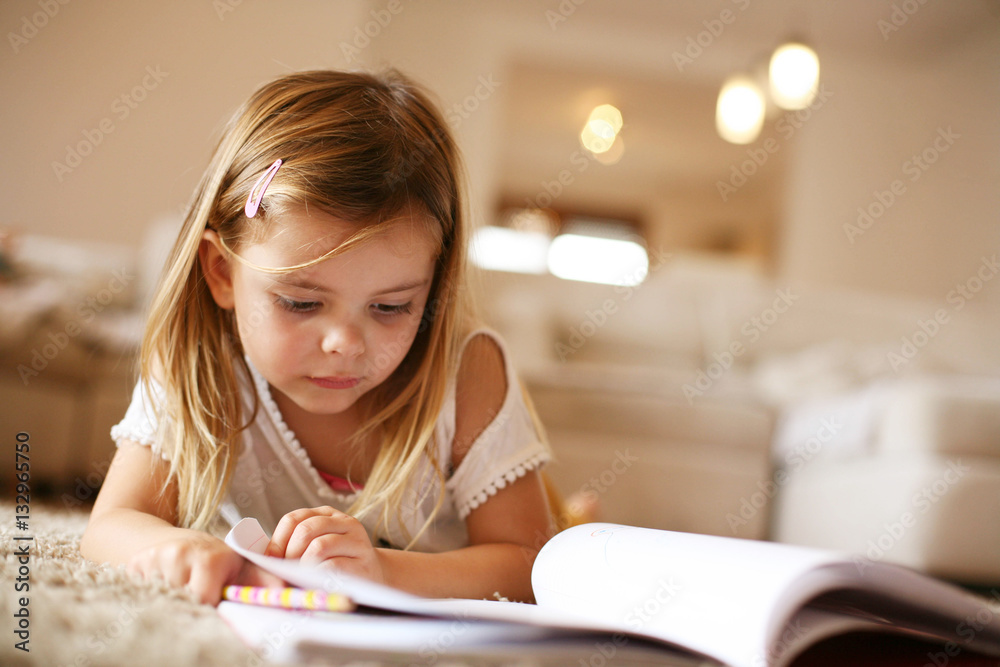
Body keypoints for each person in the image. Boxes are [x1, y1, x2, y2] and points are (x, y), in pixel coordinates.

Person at [80, 69, 557, 606]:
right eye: (301, 303)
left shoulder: (466, 373)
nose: (345, 344)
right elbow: (112, 524)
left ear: (434, 287)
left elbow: (529, 562)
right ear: (220, 272)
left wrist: (382, 571)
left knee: (576, 526)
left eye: (391, 306)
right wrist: (173, 546)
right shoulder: (199, 362)